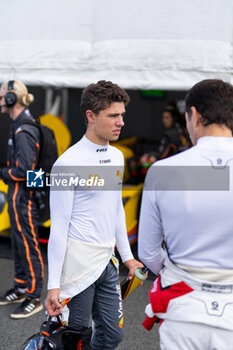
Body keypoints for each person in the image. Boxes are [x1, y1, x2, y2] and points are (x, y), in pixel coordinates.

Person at [45, 80, 144, 350]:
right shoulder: (67, 164)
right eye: (113, 115)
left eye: (122, 114)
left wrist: (128, 258)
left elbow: (115, 210)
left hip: (106, 261)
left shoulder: (116, 157)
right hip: (76, 262)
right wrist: (53, 286)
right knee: (73, 335)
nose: (121, 121)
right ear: (91, 116)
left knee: (112, 336)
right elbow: (59, 228)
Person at [138, 79, 233, 349]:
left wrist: (178, 272)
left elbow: (148, 252)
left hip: (183, 308)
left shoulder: (163, 171)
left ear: (194, 115)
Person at [0, 80, 44, 318]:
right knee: (18, 242)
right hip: (19, 193)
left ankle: (35, 296)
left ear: (10, 99)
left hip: (22, 194)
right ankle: (20, 286)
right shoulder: (19, 124)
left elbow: (25, 171)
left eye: (1, 97)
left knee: (28, 243)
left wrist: (3, 173)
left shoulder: (23, 129)